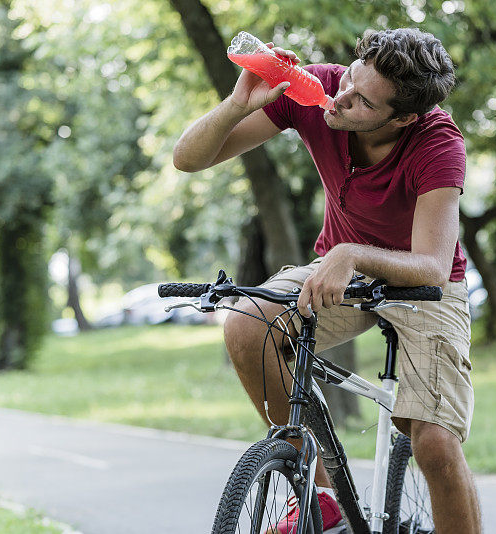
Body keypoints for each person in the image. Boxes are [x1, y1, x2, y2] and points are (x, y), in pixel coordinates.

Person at [173, 27, 480, 534]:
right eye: (350, 79)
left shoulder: (438, 145)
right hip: (341, 275)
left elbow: (430, 263)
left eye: (362, 101)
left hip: (426, 287)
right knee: (249, 323)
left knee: (435, 444)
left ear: (404, 118)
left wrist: (352, 252)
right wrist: (237, 104)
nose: (340, 98)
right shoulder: (319, 92)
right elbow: (189, 159)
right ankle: (319, 497)